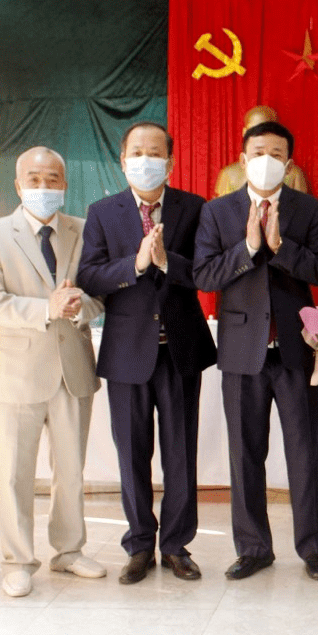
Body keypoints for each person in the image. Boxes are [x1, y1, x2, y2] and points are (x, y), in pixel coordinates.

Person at [76, 121, 217, 585]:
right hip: (126, 354)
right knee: (132, 454)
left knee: (180, 453)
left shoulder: (194, 208)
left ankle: (176, 545)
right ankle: (139, 544)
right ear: (122, 160)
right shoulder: (102, 212)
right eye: (137, 152)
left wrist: (166, 262)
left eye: (155, 153)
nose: (145, 160)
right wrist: (135, 264)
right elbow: (90, 275)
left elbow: (206, 272)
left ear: (170, 162)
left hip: (180, 350)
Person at [193, 120, 318, 581]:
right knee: (245, 454)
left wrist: (280, 247)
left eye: (276, 153)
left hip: (295, 350)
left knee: (305, 452)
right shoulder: (217, 212)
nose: (266, 160)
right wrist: (249, 248)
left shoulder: (309, 209)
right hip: (241, 351)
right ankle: (253, 549)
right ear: (243, 159)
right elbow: (204, 276)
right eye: (258, 152)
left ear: (288, 163)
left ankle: (313, 547)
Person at [0, 147, 106, 598]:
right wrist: (46, 308)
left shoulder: (84, 231)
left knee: (71, 470)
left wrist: (77, 306)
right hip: (16, 372)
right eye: (34, 179)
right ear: (17, 185)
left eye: (52, 179)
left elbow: (100, 295)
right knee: (13, 474)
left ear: (64, 184)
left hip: (73, 368)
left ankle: (68, 551)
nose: (43, 187)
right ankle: (17, 560)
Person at [213, 106, 311, 197]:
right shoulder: (229, 174)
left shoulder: (293, 174)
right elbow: (220, 208)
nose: (260, 136)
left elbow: (302, 207)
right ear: (244, 132)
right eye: (253, 130)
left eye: (266, 131)